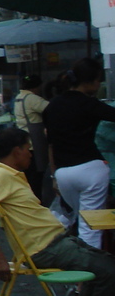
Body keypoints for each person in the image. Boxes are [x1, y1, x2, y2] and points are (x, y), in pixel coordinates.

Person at [0, 126, 115, 296]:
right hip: (46, 248)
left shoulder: (12, 176)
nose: (31, 153)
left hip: (55, 241)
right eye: (27, 149)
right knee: (108, 269)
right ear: (16, 151)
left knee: (103, 263)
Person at [42, 57, 115, 248]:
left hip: (63, 173)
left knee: (73, 218)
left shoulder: (53, 106)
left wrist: (54, 176)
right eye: (98, 80)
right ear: (90, 81)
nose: (99, 85)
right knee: (90, 226)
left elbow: (51, 144)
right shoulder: (89, 104)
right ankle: (90, 271)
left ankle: (76, 264)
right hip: (91, 170)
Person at [13, 74, 51, 203]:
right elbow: (51, 108)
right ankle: (36, 202)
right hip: (34, 142)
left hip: (24, 141)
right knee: (36, 176)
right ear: (37, 86)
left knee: (29, 176)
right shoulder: (32, 98)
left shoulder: (19, 97)